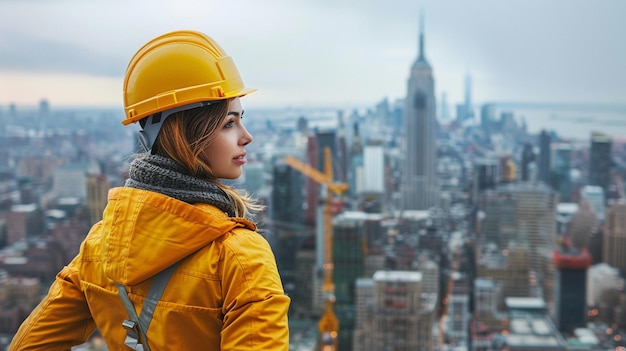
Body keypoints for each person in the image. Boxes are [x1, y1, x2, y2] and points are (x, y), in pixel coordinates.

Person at [9, 30, 290, 350]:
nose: (246, 136)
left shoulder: (101, 247)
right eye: (229, 123)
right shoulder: (238, 257)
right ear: (186, 136)